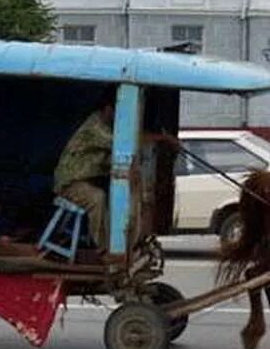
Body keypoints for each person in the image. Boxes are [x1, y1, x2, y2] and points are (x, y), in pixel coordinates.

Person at [53, 86, 177, 251]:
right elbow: (126, 142)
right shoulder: (95, 127)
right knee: (97, 198)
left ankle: (122, 241)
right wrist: (162, 138)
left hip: (87, 180)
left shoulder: (107, 127)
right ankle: (103, 248)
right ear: (108, 109)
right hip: (71, 183)